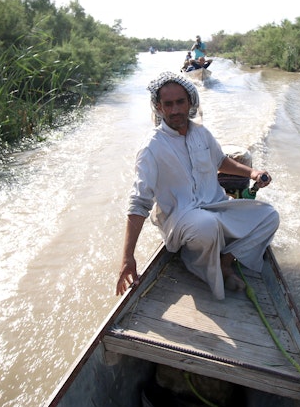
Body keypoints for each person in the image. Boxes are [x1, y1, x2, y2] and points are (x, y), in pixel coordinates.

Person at [116, 71, 280, 300]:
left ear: (190, 102)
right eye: (168, 104)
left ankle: (225, 261)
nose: (175, 110)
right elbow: (139, 202)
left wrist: (252, 172)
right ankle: (197, 264)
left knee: (269, 215)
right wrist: (127, 257)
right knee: (206, 226)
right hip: (182, 218)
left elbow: (221, 161)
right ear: (159, 107)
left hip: (217, 206)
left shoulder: (201, 134)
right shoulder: (151, 148)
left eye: (180, 102)